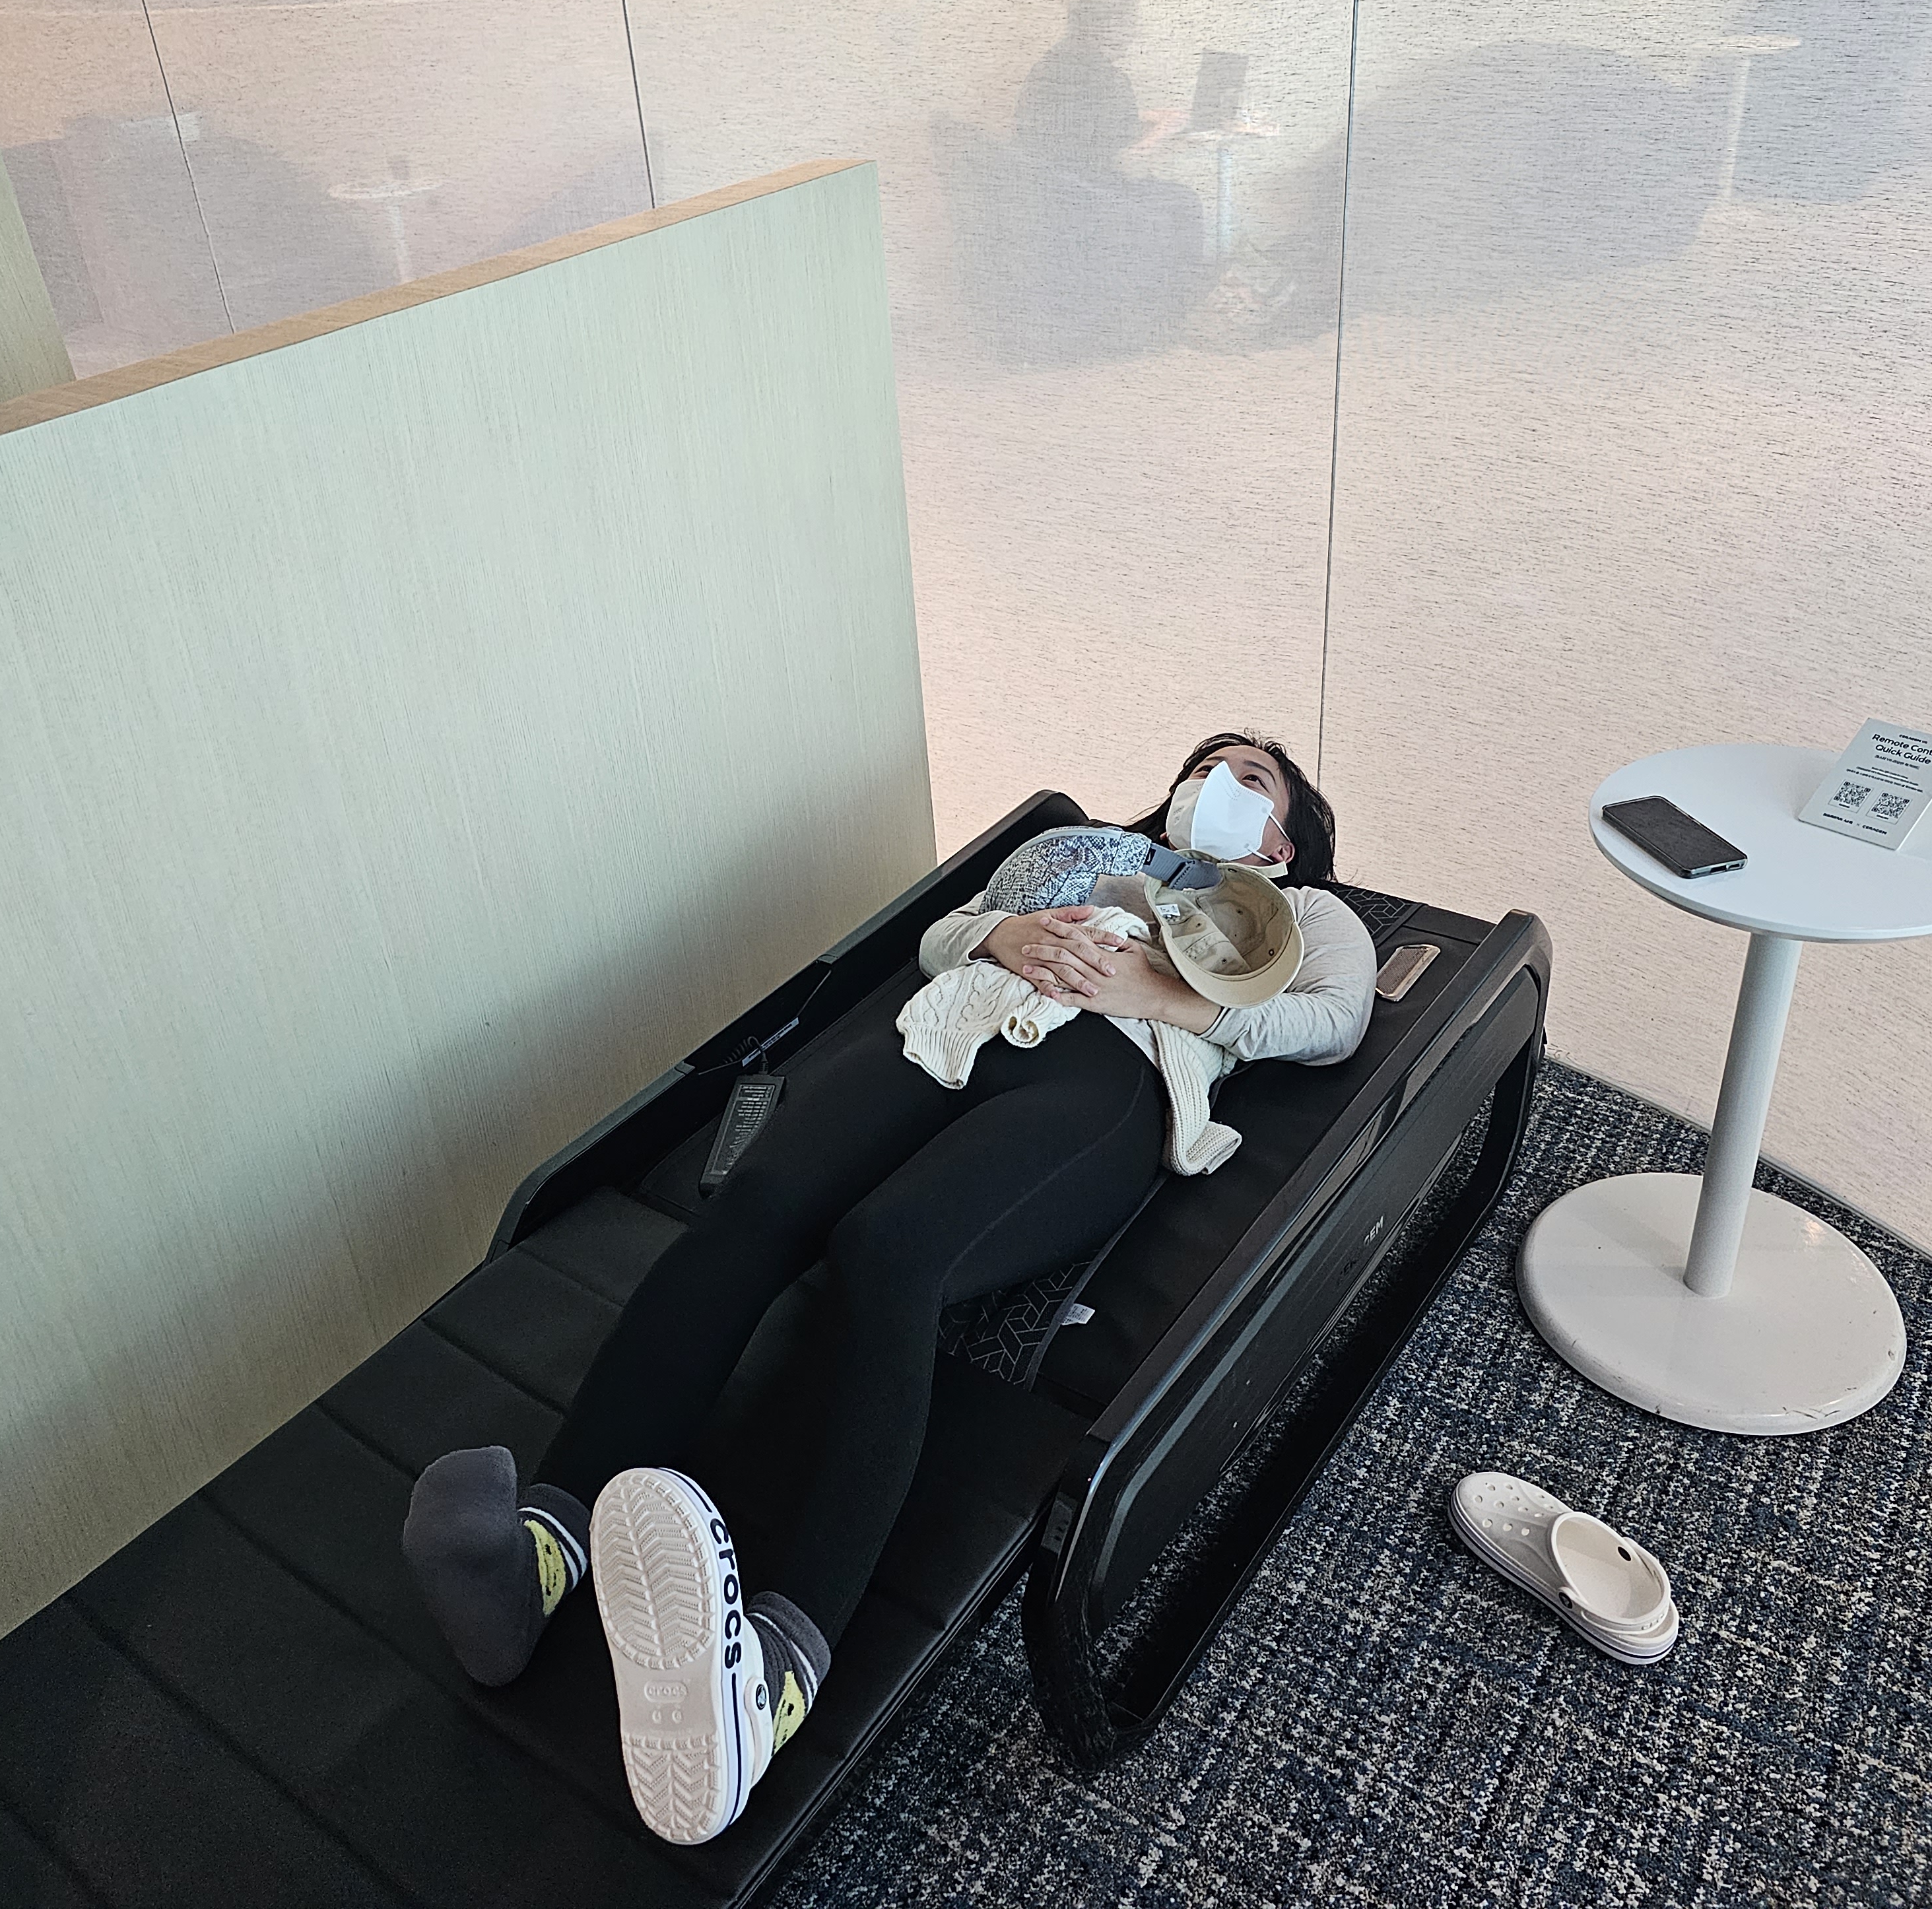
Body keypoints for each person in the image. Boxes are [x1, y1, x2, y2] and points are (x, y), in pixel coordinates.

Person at [401, 733, 1380, 1846]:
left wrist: (1165, 994)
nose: (1213, 784)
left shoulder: (1306, 913)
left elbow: (1333, 1021)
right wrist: (1002, 934)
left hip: (1109, 1072)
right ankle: (535, 1556)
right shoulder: (1084, 849)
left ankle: (776, 1673)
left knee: (889, 1252)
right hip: (946, 1026)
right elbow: (944, 935)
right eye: (1203, 768)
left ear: (1285, 840)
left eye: (1250, 779)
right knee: (758, 1207)